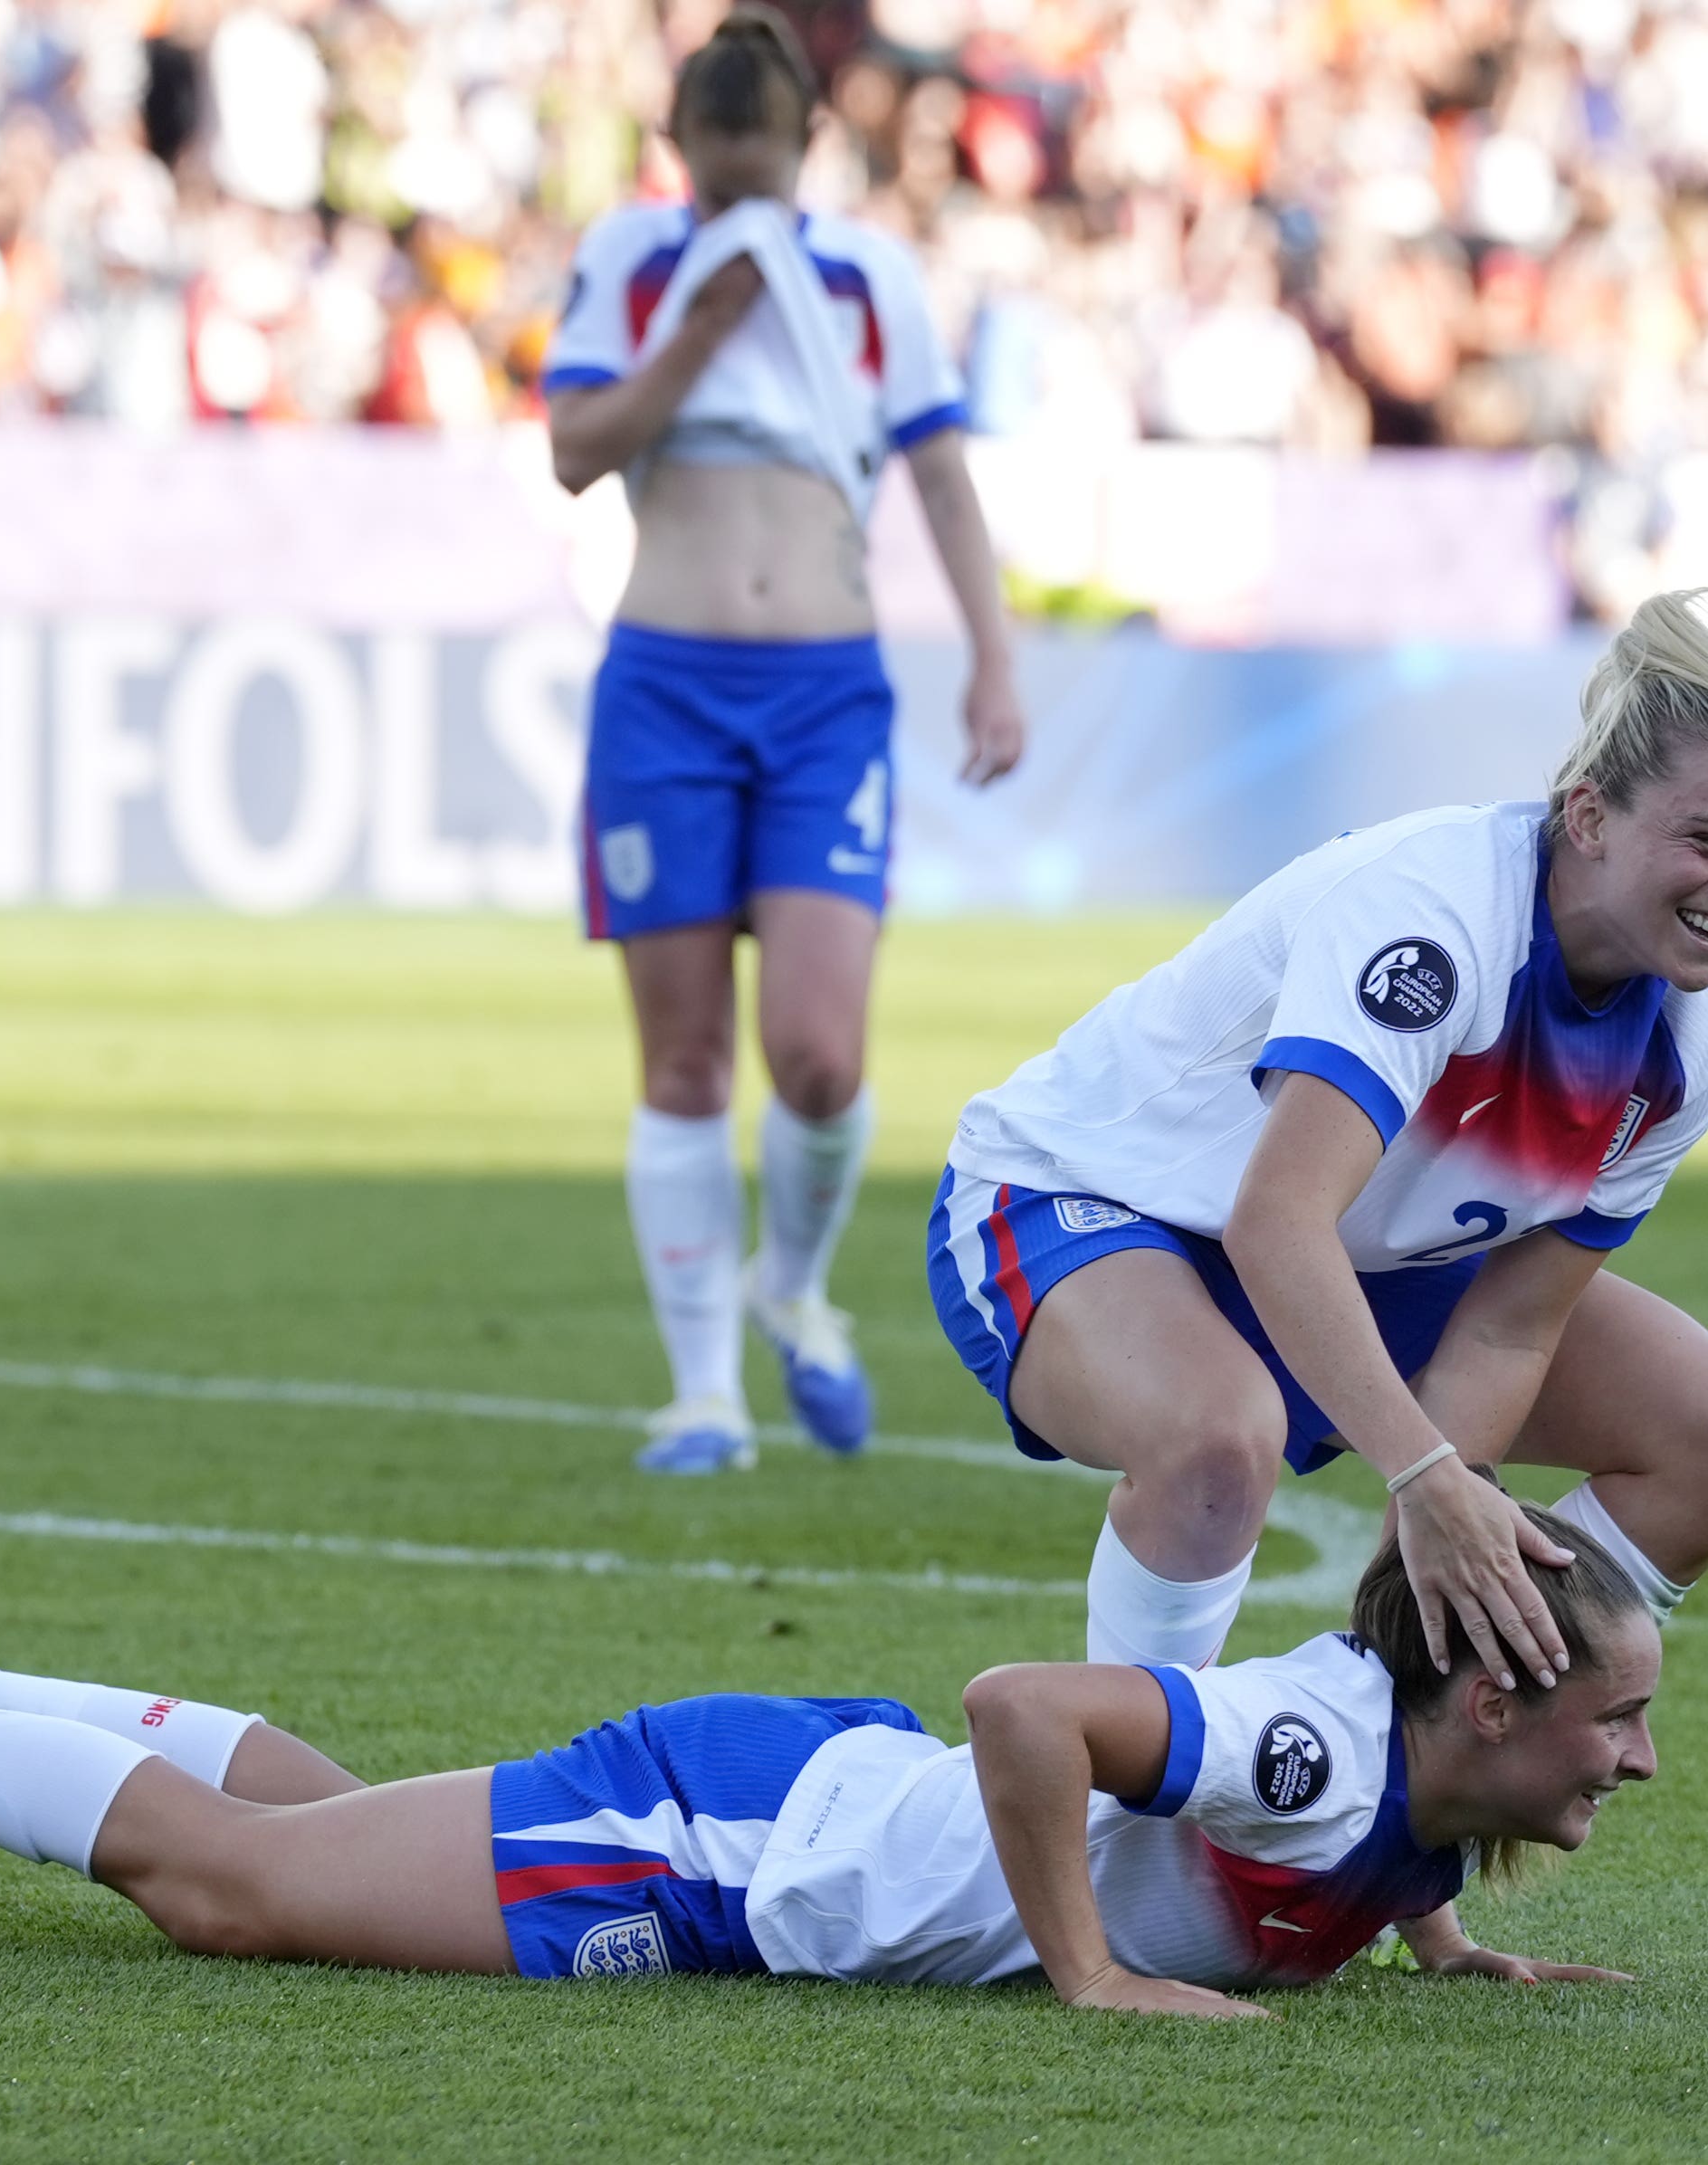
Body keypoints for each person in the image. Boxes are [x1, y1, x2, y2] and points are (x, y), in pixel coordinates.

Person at [0, 1517, 1656, 2013]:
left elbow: (1351, 1831)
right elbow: (1032, 1705)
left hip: (781, 1804)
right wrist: (1091, 1975)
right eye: (1610, 1711)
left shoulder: (1395, 1776)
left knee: (307, 1827)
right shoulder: (1311, 1736)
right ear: (1478, 1698)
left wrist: (1441, 1933)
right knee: (237, 1892)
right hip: (737, 1844)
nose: (1635, 1753)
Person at [930, 592, 1708, 1694]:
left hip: (1359, 1258)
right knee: (1216, 1439)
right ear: (1588, 818)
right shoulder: (1434, 917)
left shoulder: (1700, 1032)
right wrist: (1429, 1470)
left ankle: (1379, 1761)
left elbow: (1507, 1330)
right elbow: (1276, 1218)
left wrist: (1426, 1549)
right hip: (1084, 1199)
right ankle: (1131, 1817)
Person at [541, 7, 1026, 1474]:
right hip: (666, 684)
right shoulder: (634, 263)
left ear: (807, 147)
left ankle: (793, 1284)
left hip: (822, 690)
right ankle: (702, 1394)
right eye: (710, 173)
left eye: (757, 173)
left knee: (816, 1052)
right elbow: (573, 448)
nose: (733, 202)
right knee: (682, 1055)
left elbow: (938, 480)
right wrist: (700, 324)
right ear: (675, 150)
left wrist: (993, 657)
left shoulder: (869, 279)